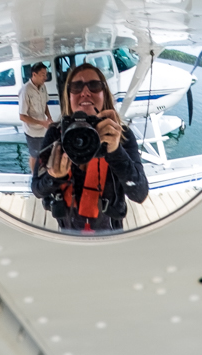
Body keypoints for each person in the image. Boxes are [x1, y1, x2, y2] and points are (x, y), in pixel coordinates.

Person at [30, 62, 149, 232]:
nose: (85, 92)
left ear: (104, 94)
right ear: (68, 96)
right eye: (76, 87)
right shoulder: (56, 134)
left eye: (94, 86)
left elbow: (139, 194)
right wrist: (53, 176)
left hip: (109, 229)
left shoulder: (121, 135)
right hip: (68, 228)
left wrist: (115, 151)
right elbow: (37, 189)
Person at [18, 62, 52, 168]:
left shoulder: (43, 87)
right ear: (34, 74)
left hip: (43, 129)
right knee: (34, 155)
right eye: (43, 75)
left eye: (46, 75)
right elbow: (22, 116)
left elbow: (45, 104)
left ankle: (42, 171)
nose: (45, 77)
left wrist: (49, 118)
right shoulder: (25, 90)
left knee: (45, 152)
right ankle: (34, 177)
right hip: (32, 132)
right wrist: (41, 122)